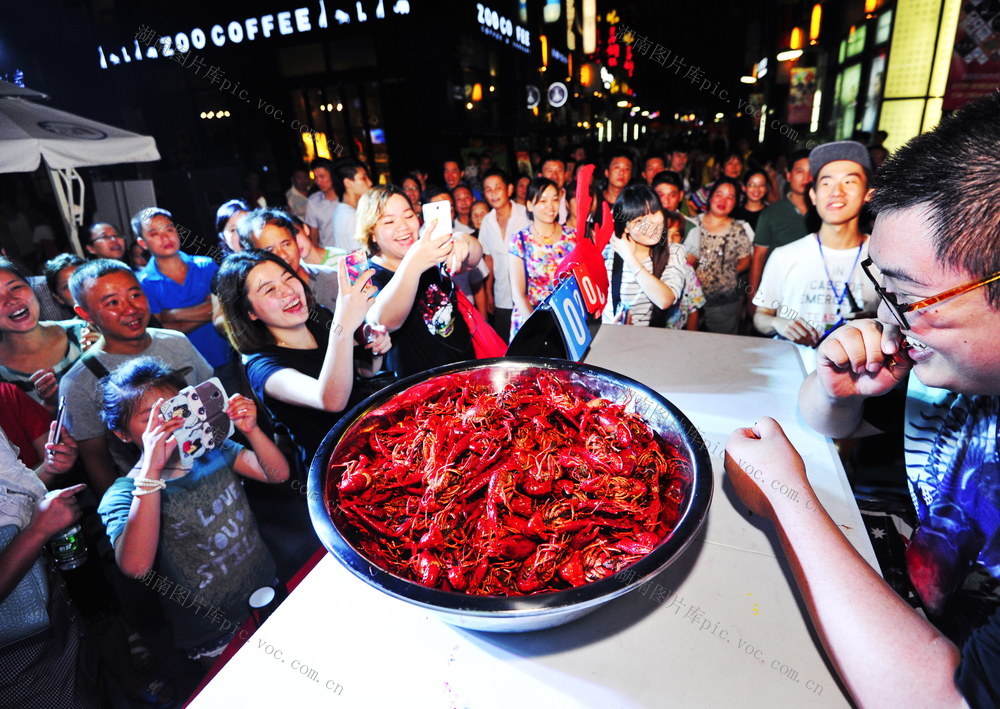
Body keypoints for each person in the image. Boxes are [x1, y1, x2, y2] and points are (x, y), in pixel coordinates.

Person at [798, 92, 1000, 650]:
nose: (887, 317)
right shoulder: (947, 370)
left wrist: (789, 503)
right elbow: (829, 420)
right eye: (881, 285)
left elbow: (952, 695)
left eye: (906, 295)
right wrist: (838, 392)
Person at [97, 356, 288, 668]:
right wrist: (151, 473)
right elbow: (135, 566)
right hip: (214, 632)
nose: (170, 424)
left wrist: (251, 430)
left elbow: (277, 475)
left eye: (176, 408)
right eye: (152, 419)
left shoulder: (214, 450)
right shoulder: (123, 494)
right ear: (122, 434)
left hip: (266, 587)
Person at [216, 251, 384, 467]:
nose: (287, 291)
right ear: (250, 312)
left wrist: (375, 345)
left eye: (288, 277)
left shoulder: (319, 318)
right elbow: (330, 400)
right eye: (269, 289)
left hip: (373, 438)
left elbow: (364, 371)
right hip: (338, 467)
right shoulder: (263, 367)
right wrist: (342, 330)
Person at [60, 259, 213, 496]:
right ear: (85, 313)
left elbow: (211, 407)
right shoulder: (79, 382)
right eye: (112, 302)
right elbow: (97, 462)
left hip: (211, 472)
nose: (130, 309)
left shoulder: (176, 341)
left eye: (135, 295)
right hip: (151, 495)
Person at [0, 422, 104, 708]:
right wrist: (37, 531)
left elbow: (7, 497)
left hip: (59, 623)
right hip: (19, 661)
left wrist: (47, 469)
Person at [753, 141, 878, 367]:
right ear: (813, 195)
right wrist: (778, 323)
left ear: (869, 193)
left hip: (856, 383)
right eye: (826, 183)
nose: (836, 192)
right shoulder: (785, 256)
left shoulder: (884, 259)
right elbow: (760, 317)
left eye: (849, 182)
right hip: (787, 373)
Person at [357, 185, 480, 378]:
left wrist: (464, 240)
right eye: (389, 221)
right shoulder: (371, 275)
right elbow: (385, 320)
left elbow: (474, 259)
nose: (403, 227)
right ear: (371, 232)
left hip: (466, 373)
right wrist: (414, 263)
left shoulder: (428, 250)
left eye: (408, 216)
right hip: (422, 391)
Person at [132, 207, 236, 391]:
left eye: (169, 229)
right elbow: (161, 329)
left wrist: (172, 315)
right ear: (142, 242)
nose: (165, 238)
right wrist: (210, 308)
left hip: (223, 356)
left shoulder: (206, 265)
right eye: (154, 233)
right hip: (180, 370)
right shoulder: (143, 283)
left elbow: (227, 308)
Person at [0, 258, 92, 412]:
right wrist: (49, 406)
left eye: (15, 287)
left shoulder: (85, 333)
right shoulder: (2, 378)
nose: (10, 300)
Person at [602, 184, 689, 328]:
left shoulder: (674, 252)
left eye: (654, 212)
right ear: (625, 227)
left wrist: (630, 259)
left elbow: (664, 300)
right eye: (639, 221)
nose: (651, 225)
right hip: (610, 338)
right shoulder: (607, 253)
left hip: (649, 340)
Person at [509, 177, 577, 337]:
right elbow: (519, 294)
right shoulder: (519, 239)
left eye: (554, 200)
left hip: (567, 318)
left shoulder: (572, 236)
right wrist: (538, 330)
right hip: (531, 319)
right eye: (542, 201)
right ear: (530, 205)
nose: (550, 206)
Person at [684, 178, 752, 334]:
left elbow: (745, 261)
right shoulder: (692, 223)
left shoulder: (738, 229)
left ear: (735, 202)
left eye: (730, 197)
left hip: (723, 302)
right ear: (710, 196)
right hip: (690, 300)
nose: (723, 200)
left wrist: (723, 275)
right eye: (719, 194)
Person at [239, 208, 339, 312]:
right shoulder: (265, 306)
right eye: (270, 250)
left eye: (286, 244)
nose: (282, 255)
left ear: (296, 241)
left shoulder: (334, 278)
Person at [749, 149, 813, 302]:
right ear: (788, 175)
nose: (806, 177)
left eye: (811, 172)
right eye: (799, 171)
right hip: (779, 294)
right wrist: (753, 297)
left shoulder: (826, 213)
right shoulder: (771, 213)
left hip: (814, 292)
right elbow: (758, 257)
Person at [479, 168, 530, 341]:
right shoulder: (487, 221)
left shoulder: (526, 214)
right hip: (502, 296)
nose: (493, 193)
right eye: (488, 189)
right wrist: (488, 292)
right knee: (506, 346)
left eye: (497, 187)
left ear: (509, 189)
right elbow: (488, 258)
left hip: (530, 295)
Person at [330, 158, 373, 253]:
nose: (370, 183)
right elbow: (358, 254)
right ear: (348, 183)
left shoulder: (342, 210)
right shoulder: (351, 216)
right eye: (363, 178)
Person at [305, 157, 339, 249]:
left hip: (351, 252)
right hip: (328, 252)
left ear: (332, 175)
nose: (319, 181)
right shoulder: (314, 201)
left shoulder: (346, 197)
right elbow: (314, 234)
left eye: (322, 177)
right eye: (316, 178)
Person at [539, 152, 569, 224]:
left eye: (559, 171)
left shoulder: (573, 200)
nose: (555, 176)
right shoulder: (536, 203)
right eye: (549, 171)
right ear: (540, 176)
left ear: (566, 175)